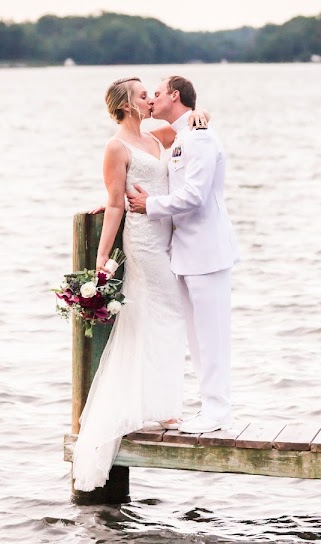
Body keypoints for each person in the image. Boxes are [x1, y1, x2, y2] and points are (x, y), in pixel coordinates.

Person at [72, 76, 208, 492]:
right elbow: (115, 202)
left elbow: (191, 124)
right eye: (144, 94)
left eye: (152, 92)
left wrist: (203, 114)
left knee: (167, 318)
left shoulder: (156, 137)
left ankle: (164, 404)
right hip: (144, 241)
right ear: (128, 104)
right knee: (161, 315)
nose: (151, 97)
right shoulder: (116, 147)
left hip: (167, 236)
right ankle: (165, 409)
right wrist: (102, 259)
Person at [127, 75, 239, 434]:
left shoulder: (200, 137)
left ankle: (218, 411)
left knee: (212, 335)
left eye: (157, 94)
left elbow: (195, 196)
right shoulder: (182, 136)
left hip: (207, 251)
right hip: (186, 254)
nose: (153, 99)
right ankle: (209, 407)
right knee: (197, 337)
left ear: (174, 96)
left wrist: (150, 205)